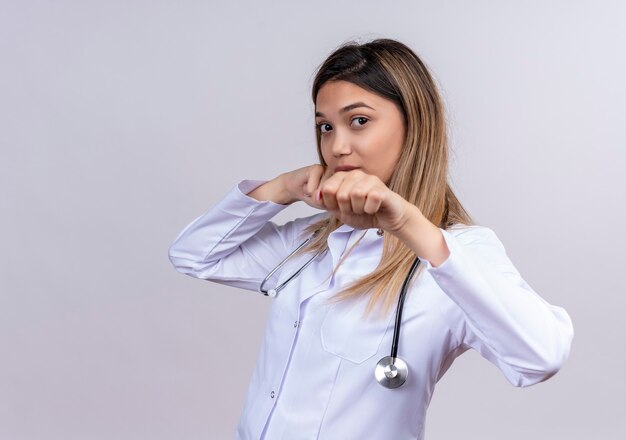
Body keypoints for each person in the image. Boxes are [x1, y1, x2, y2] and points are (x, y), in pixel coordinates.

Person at [168, 38, 574, 440]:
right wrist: (281, 189)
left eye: (358, 120)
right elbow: (194, 256)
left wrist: (410, 224)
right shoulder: (309, 243)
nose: (337, 147)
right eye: (325, 127)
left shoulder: (454, 253)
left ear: (414, 125)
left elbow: (539, 357)